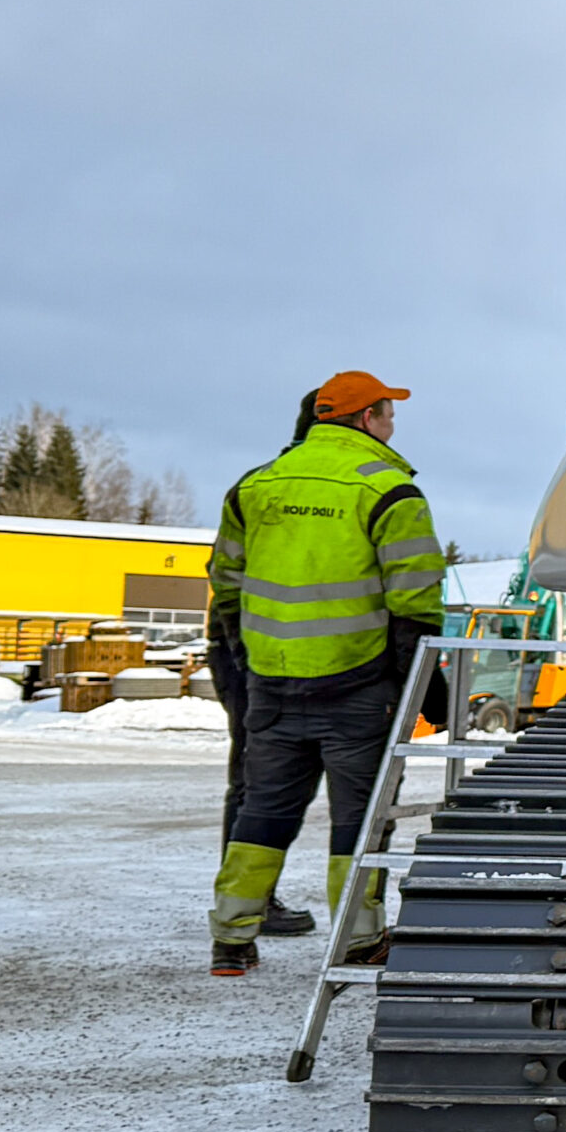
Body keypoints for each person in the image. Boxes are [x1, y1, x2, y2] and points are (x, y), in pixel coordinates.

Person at [207, 372, 447, 976]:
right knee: (360, 820)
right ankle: (359, 941)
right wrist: (425, 685)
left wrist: (247, 666)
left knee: (263, 813)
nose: (393, 425)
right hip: (359, 688)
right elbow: (415, 604)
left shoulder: (255, 486)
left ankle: (231, 938)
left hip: (271, 684)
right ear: (368, 418)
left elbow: (226, 587)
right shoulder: (392, 492)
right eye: (389, 414)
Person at [203, 391, 321, 938]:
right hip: (254, 653)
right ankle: (250, 900)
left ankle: (250, 897)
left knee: (261, 774)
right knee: (261, 776)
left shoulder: (260, 482)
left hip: (248, 649)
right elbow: (227, 574)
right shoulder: (288, 486)